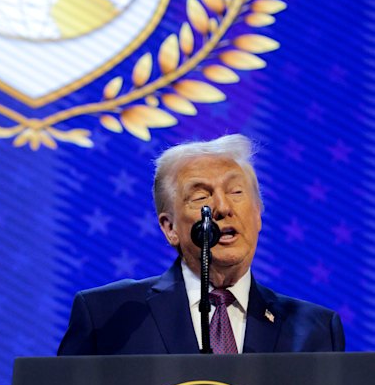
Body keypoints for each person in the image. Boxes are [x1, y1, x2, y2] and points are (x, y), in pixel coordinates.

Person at [58, 134, 345, 355]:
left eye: (236, 192)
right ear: (170, 228)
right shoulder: (109, 317)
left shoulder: (314, 330)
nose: (222, 207)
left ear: (258, 214)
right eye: (200, 197)